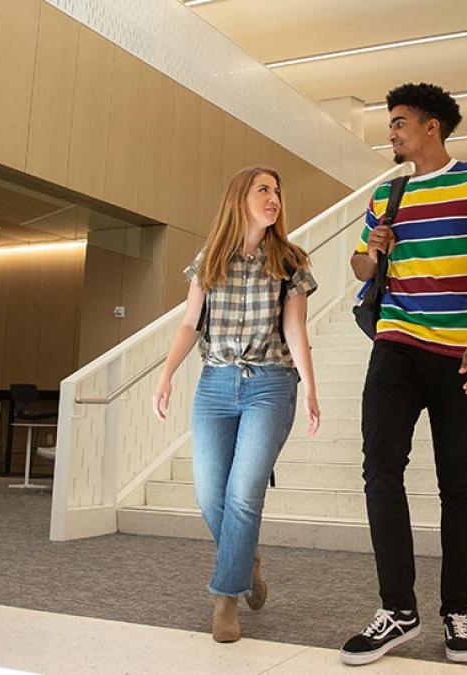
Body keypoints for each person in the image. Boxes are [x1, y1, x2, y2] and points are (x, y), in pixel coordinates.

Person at [340, 83, 467, 666]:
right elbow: (360, 264)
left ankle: (458, 612)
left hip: (458, 354)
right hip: (395, 345)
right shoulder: (387, 193)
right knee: (379, 471)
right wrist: (377, 249)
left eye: (398, 123)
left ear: (431, 127)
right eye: (390, 125)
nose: (390, 133)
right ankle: (399, 610)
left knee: (455, 483)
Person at [151, 166, 320, 644]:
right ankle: (247, 557)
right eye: (263, 189)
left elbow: (294, 329)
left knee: (245, 493)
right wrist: (164, 376)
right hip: (215, 386)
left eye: (278, 191)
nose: (274, 198)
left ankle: (225, 599)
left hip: (271, 383)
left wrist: (309, 386)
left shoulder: (290, 260)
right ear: (239, 197)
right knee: (209, 495)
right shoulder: (210, 260)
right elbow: (190, 324)